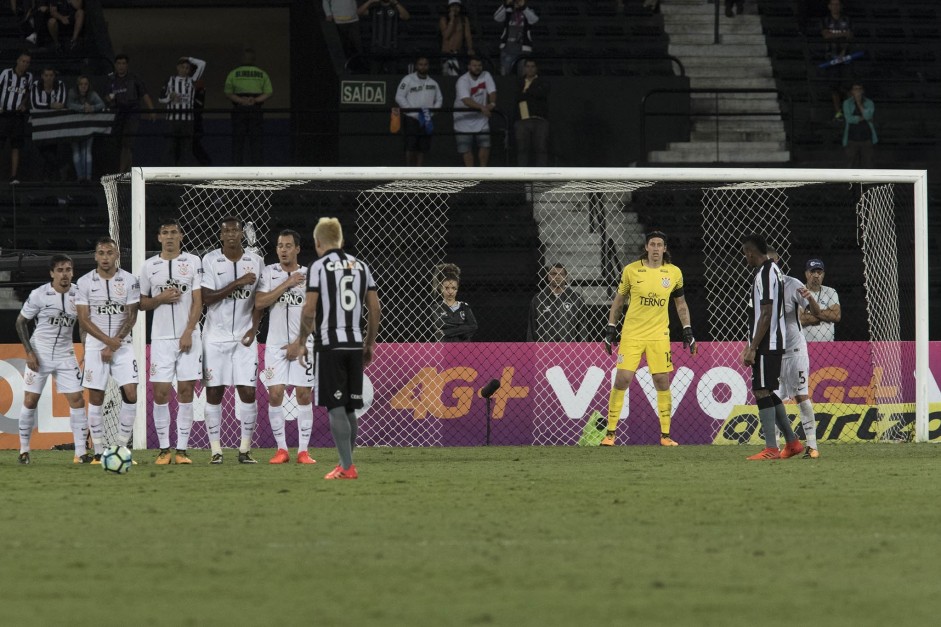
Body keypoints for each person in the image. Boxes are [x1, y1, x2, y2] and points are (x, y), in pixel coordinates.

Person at [287, 217, 381, 480]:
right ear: (340, 240)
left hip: (329, 344)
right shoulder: (361, 266)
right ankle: (344, 464)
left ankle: (348, 467)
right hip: (353, 343)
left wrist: (301, 341)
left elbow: (309, 310)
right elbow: (375, 308)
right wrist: (369, 343)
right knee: (350, 407)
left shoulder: (318, 267)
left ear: (318, 242)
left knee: (336, 406)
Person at [601, 231, 697, 447]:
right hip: (632, 333)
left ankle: (665, 436)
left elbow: (680, 304)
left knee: (662, 381)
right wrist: (610, 328)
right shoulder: (631, 270)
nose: (655, 248)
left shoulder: (673, 273)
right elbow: (618, 302)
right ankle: (610, 434)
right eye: (652, 244)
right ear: (646, 247)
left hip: (658, 334)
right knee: (623, 379)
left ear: (664, 248)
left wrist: (687, 330)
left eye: (659, 245)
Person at [138, 218, 203, 465]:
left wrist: (188, 331)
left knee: (187, 391)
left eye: (174, 232)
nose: (169, 236)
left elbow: (198, 301)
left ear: (181, 236)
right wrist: (160, 299)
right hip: (161, 339)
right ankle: (164, 449)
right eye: (165, 232)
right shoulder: (148, 266)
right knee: (161, 392)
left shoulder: (193, 262)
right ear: (158, 238)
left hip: (189, 336)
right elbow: (141, 303)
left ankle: (182, 450)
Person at [200, 216, 264, 464]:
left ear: (241, 234)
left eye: (235, 231)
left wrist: (254, 328)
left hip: (244, 338)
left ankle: (245, 450)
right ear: (220, 235)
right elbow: (207, 297)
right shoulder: (210, 260)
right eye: (225, 231)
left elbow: (260, 299)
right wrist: (237, 283)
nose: (230, 235)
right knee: (214, 393)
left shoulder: (256, 261)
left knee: (248, 392)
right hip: (215, 338)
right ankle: (216, 451)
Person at [15, 254, 88, 465]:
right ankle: (24, 450)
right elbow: (20, 323)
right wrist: (29, 352)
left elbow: (84, 325)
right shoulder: (39, 295)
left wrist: (86, 350)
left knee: (77, 400)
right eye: (60, 270)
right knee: (30, 400)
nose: (64, 274)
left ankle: (81, 453)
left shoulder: (79, 294)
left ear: (72, 272)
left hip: (66, 354)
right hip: (40, 352)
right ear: (52, 273)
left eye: (68, 269)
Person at [255, 229, 317, 465]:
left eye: (288, 245)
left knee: (303, 394)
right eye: (280, 245)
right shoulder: (269, 273)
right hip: (275, 346)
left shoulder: (310, 275)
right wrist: (287, 283)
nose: (283, 250)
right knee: (275, 393)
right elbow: (260, 302)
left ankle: (303, 451)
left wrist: (299, 342)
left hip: (304, 345)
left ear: (298, 249)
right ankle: (282, 449)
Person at [75, 237, 141, 458]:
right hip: (96, 345)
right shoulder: (84, 282)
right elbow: (84, 320)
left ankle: (121, 448)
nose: (105, 257)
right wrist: (106, 341)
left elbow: (132, 316)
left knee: (131, 394)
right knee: (96, 397)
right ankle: (98, 451)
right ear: (95, 256)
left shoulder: (130, 280)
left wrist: (114, 344)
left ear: (117, 255)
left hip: (122, 345)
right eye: (101, 253)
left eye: (109, 253)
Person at [740, 234, 803, 460]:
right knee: (766, 389)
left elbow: (766, 313)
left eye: (745, 253)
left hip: (769, 341)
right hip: (771, 340)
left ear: (750, 252)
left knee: (761, 390)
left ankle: (771, 448)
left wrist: (753, 347)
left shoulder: (766, 273)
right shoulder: (772, 271)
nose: (744, 257)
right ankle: (793, 443)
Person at [768, 249, 822, 459]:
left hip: (795, 350)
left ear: (777, 261)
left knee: (800, 395)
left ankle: (812, 446)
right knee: (772, 397)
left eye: (771, 261)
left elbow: (816, 313)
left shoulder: (792, 284)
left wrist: (810, 298)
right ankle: (777, 446)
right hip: (774, 352)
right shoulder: (761, 286)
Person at [106, 54, 156, 172]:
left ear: (127, 65)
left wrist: (152, 110)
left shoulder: (134, 78)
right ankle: (126, 170)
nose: (121, 66)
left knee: (127, 142)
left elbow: (144, 94)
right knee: (118, 143)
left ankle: (122, 171)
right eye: (119, 64)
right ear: (115, 65)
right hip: (117, 114)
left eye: (123, 63)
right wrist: (110, 98)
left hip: (132, 113)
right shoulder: (111, 79)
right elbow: (106, 97)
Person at [223, 48, 272, 166]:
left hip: (239, 110)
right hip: (256, 110)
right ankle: (257, 169)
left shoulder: (233, 73)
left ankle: (236, 169)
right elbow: (268, 92)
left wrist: (241, 100)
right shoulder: (262, 74)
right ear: (254, 59)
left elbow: (228, 92)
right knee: (256, 142)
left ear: (242, 59)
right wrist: (255, 100)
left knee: (238, 142)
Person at [157, 55, 206, 167]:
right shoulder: (170, 80)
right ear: (178, 68)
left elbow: (202, 64)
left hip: (188, 120)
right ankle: (168, 173)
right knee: (171, 147)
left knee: (186, 148)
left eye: (187, 67)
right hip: (172, 120)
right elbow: (160, 98)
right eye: (183, 67)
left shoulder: (192, 80)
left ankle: (184, 175)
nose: (185, 70)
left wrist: (190, 59)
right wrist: (170, 97)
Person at [395, 56, 442, 167]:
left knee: (423, 146)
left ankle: (419, 171)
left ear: (428, 66)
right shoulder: (408, 80)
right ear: (416, 66)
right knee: (410, 145)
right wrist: (412, 112)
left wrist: (432, 113)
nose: (423, 66)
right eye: (421, 64)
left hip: (426, 118)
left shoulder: (433, 83)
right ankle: (408, 170)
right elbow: (399, 97)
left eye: (425, 64)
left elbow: (439, 99)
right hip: (411, 118)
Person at [453, 56, 497, 167]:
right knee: (466, 149)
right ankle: (471, 175)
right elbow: (466, 100)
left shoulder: (486, 75)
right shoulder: (462, 80)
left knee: (485, 145)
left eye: (479, 65)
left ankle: (483, 174)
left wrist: (492, 104)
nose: (477, 68)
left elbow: (492, 92)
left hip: (481, 119)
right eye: (474, 65)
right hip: (463, 120)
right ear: (469, 67)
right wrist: (483, 108)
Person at [527, 263, 587, 342]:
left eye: (561, 274)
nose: (557, 277)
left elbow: (582, 328)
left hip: (569, 349)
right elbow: (532, 328)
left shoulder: (576, 298)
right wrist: (531, 350)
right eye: (554, 274)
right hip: (544, 349)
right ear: (548, 277)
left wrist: (583, 350)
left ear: (566, 278)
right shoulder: (538, 299)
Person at [29, 65, 66, 182]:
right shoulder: (36, 85)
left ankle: (47, 179)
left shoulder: (60, 84)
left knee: (52, 148)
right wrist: (50, 105)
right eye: (46, 75)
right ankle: (61, 167)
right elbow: (35, 104)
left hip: (55, 122)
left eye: (51, 75)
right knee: (42, 147)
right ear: (42, 76)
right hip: (39, 123)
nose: (48, 78)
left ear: (54, 76)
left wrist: (49, 106)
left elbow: (61, 103)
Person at [0, 51, 33, 183]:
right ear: (17, 61)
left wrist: (24, 104)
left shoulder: (29, 77)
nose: (24, 64)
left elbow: (27, 93)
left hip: (17, 116)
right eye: (23, 61)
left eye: (27, 62)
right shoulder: (6, 73)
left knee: (16, 146)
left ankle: (14, 177)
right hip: (3, 114)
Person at [66, 74, 105, 182]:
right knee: (76, 151)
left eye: (86, 84)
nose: (83, 86)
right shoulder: (72, 92)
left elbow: (101, 104)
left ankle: (87, 178)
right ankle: (80, 177)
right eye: (81, 84)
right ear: (77, 85)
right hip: (73, 126)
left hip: (87, 127)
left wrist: (92, 108)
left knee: (86, 150)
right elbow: (69, 104)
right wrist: (83, 108)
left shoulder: (92, 94)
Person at [821, 0, 853, 121]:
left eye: (837, 4)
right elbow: (826, 35)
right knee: (834, 87)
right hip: (831, 58)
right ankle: (838, 112)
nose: (835, 6)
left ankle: (849, 112)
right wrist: (843, 34)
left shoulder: (847, 19)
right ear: (829, 6)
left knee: (848, 86)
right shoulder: (825, 20)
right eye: (833, 4)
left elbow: (850, 36)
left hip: (846, 58)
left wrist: (843, 52)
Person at [358, 0, 410, 75]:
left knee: (393, 75)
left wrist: (396, 3)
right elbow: (358, 13)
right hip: (376, 48)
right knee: (374, 74)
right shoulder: (374, 8)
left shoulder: (395, 8)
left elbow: (406, 16)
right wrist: (370, 1)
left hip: (392, 47)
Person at [515, 58, 548, 166]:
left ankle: (540, 178)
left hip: (539, 119)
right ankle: (523, 177)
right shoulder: (519, 82)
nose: (530, 69)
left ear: (536, 68)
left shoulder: (543, 81)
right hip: (523, 119)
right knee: (522, 149)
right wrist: (529, 92)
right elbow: (517, 97)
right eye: (528, 66)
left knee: (540, 149)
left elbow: (541, 94)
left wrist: (527, 91)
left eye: (532, 66)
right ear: (524, 68)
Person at [494, 0, 538, 76]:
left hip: (523, 50)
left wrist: (523, 7)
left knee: (523, 77)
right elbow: (497, 18)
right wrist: (505, 4)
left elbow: (534, 20)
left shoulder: (529, 10)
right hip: (507, 49)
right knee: (506, 77)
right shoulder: (508, 10)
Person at [800, 258, 841, 342]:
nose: (816, 275)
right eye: (812, 272)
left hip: (828, 344)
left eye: (819, 272)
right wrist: (825, 316)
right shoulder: (800, 292)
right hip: (805, 344)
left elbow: (836, 316)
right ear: (806, 274)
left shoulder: (830, 291)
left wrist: (811, 314)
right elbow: (800, 319)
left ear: (823, 275)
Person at [436, 262, 477, 341]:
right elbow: (439, 328)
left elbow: (473, 326)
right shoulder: (436, 307)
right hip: (445, 348)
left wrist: (446, 332)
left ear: (457, 288)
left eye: (453, 288)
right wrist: (464, 327)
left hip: (464, 348)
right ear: (441, 288)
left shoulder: (464, 306)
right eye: (447, 288)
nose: (450, 291)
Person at [323, 0, 364, 71]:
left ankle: (359, 69)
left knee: (357, 46)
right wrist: (328, 14)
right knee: (342, 47)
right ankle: (343, 69)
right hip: (338, 21)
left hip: (353, 20)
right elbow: (325, 1)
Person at [842, 83, 876, 168]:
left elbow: (868, 116)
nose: (857, 91)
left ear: (862, 91)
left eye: (859, 89)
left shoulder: (869, 103)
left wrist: (859, 103)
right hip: (852, 138)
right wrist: (862, 118)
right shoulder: (847, 103)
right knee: (851, 163)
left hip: (866, 138)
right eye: (855, 89)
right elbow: (849, 119)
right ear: (852, 91)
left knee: (868, 163)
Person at [439, 0, 474, 76]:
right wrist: (451, 20)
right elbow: (446, 36)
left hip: (458, 54)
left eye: (457, 6)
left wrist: (470, 48)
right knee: (446, 77)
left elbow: (467, 35)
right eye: (453, 6)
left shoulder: (464, 20)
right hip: (446, 53)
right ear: (449, 8)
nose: (455, 8)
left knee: (458, 76)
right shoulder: (443, 19)